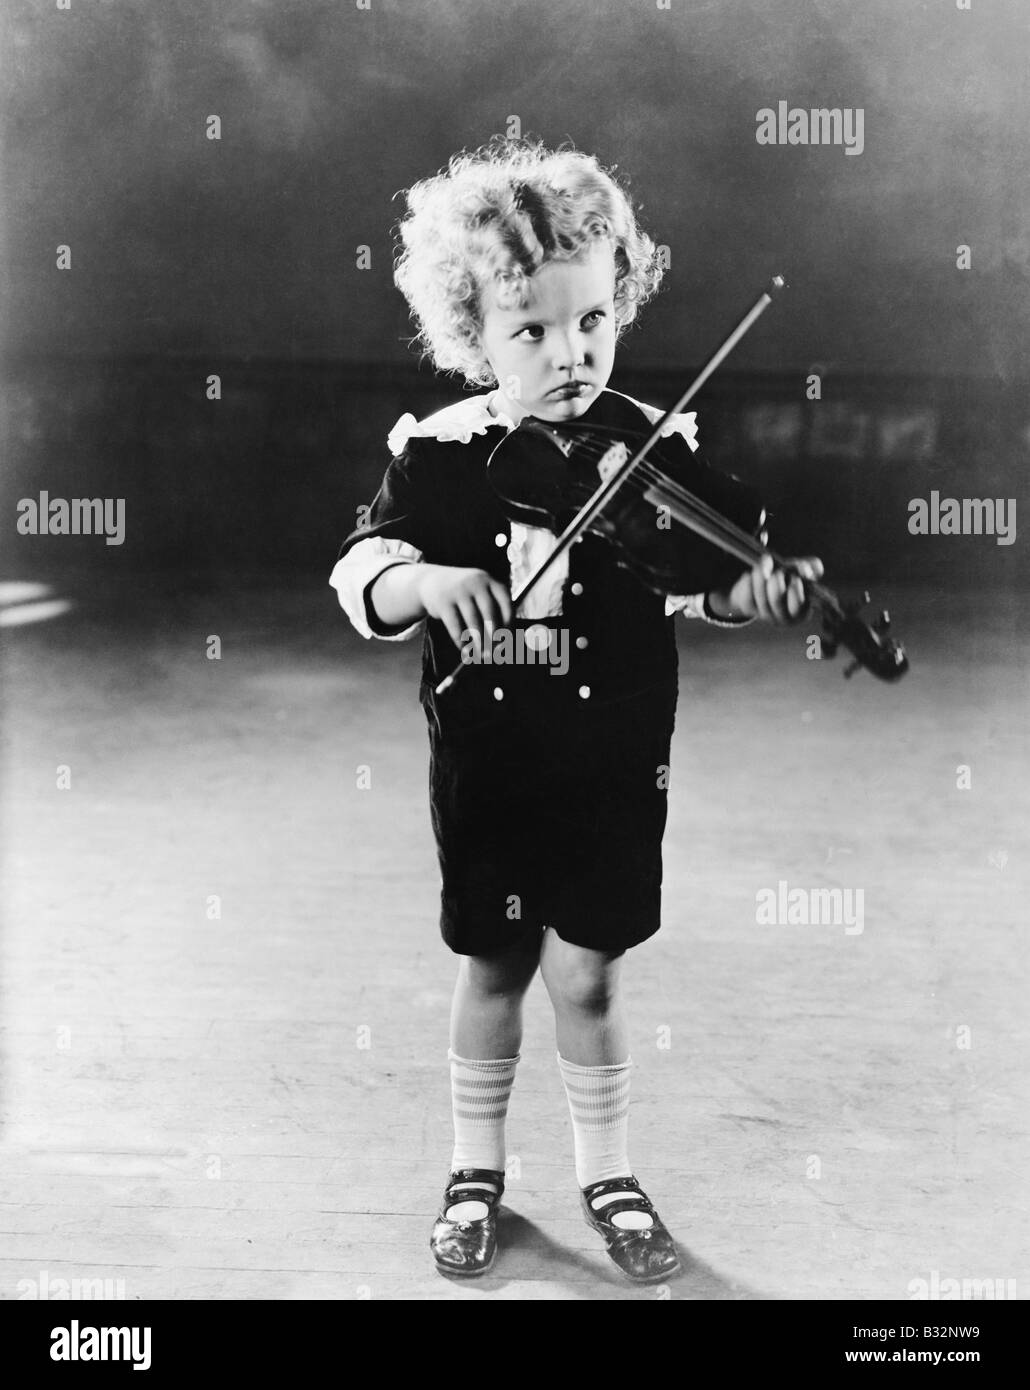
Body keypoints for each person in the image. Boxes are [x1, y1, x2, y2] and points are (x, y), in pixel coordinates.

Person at [330, 138, 822, 1283]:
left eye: (592, 322)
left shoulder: (653, 447)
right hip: (492, 767)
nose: (570, 354)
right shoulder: (445, 456)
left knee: (591, 972)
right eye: (533, 332)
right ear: (474, 334)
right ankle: (473, 1170)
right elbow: (363, 570)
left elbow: (709, 577)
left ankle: (608, 1172)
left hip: (612, 762)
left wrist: (758, 589)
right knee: (493, 961)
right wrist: (423, 583)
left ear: (619, 301)